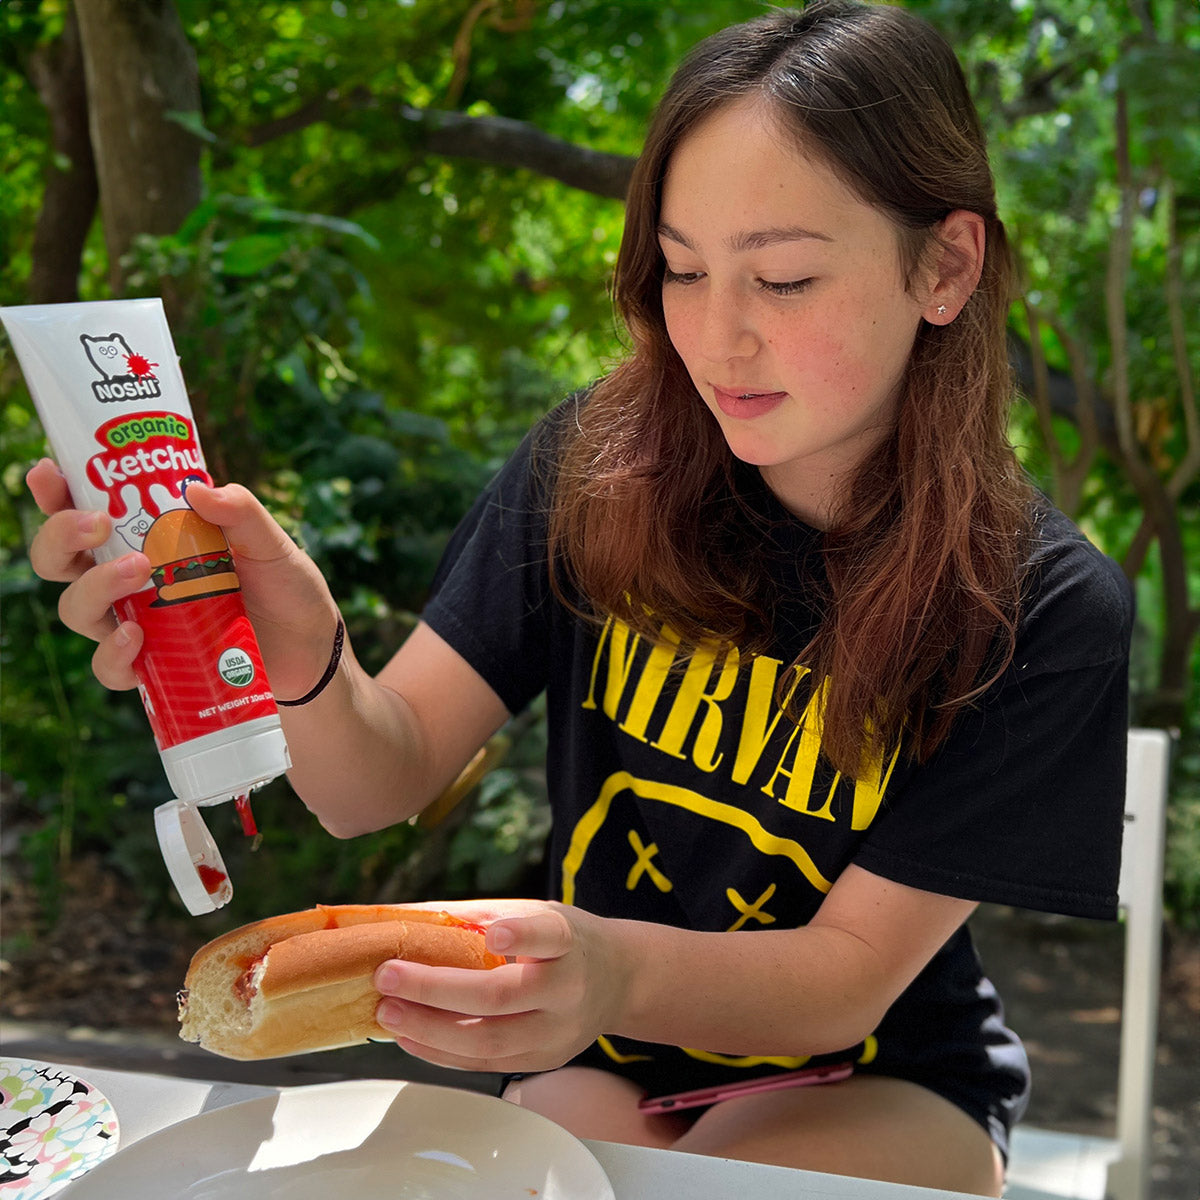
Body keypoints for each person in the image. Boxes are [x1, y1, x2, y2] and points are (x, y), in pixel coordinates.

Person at [26, 2, 1132, 1195]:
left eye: (785, 277)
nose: (717, 336)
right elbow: (371, 782)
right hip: (597, 1045)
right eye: (683, 267)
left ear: (946, 266)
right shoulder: (595, 470)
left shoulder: (1037, 600)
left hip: (879, 1073)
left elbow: (845, 976)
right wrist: (289, 653)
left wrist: (608, 973)